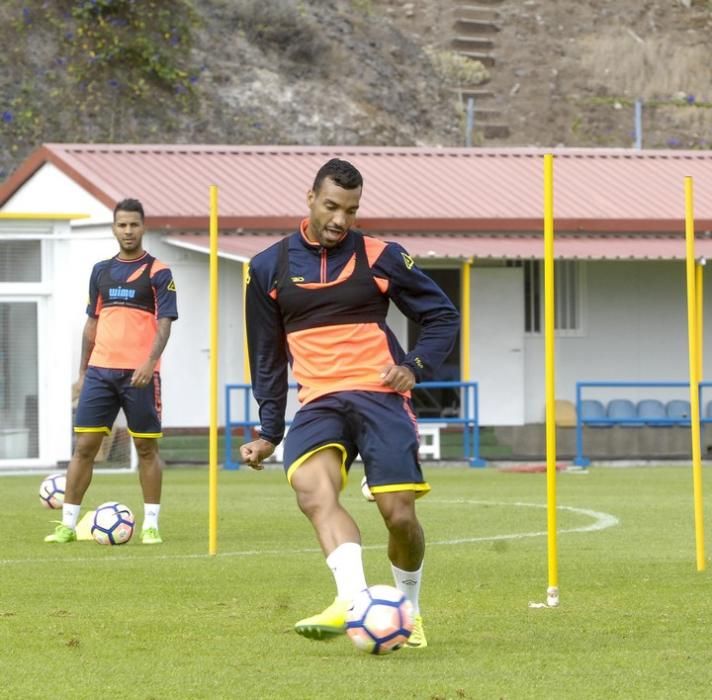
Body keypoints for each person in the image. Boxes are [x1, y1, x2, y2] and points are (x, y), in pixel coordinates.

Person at [240, 158, 460, 648]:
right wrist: (268, 431)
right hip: (319, 402)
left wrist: (415, 366)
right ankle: (354, 599)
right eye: (332, 206)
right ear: (311, 198)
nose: (341, 220)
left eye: (352, 210)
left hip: (380, 397)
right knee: (313, 490)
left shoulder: (382, 256)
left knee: (399, 515)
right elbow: (267, 355)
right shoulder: (266, 268)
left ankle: (409, 609)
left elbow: (442, 316)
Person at [45, 198, 178, 544]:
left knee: (146, 450)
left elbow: (164, 324)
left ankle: (151, 524)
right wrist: (83, 372)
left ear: (143, 226)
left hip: (140, 376)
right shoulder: (100, 271)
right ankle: (67, 525)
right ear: (114, 227)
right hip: (100, 373)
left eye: (134, 224)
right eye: (122, 225)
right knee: (84, 447)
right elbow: (92, 322)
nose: (128, 231)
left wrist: (150, 362)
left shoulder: (158, 272)